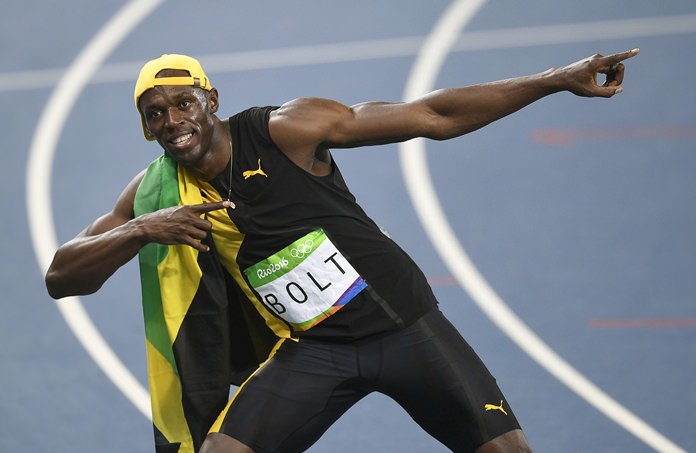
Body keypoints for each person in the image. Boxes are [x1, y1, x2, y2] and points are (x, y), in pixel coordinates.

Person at [45, 48, 639, 453]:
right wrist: (141, 230)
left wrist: (555, 79)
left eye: (183, 104)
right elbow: (61, 276)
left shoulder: (286, 129)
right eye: (156, 115)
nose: (173, 121)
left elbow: (431, 115)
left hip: (407, 330)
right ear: (146, 129)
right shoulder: (154, 194)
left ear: (211, 100)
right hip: (313, 350)